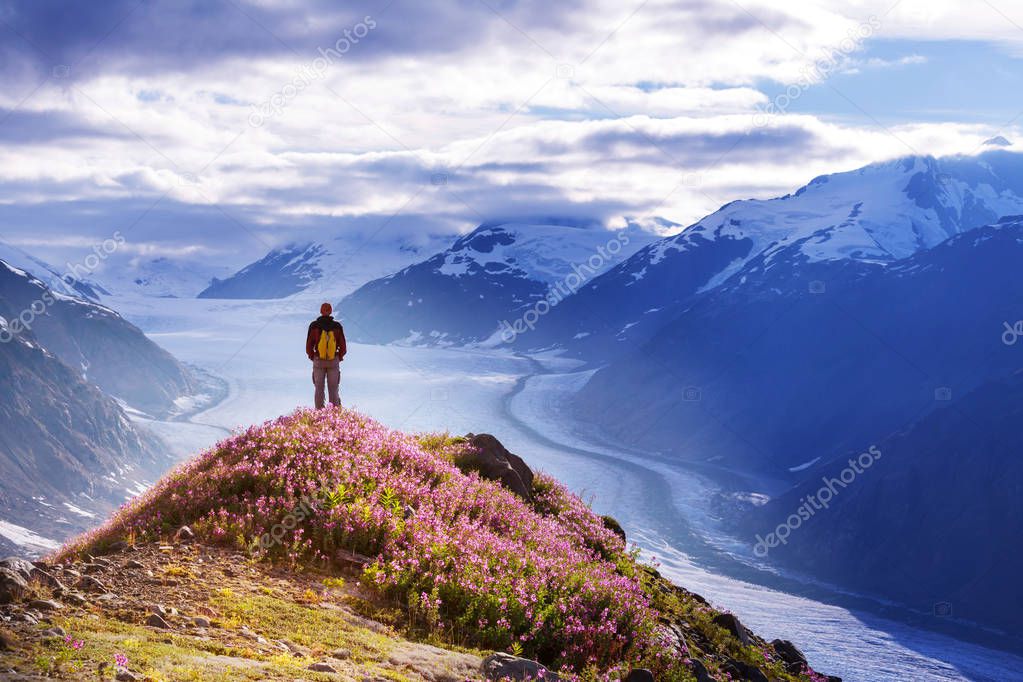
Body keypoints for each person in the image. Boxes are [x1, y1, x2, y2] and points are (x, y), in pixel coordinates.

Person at [305, 302, 346, 408]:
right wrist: (338, 357)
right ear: (331, 311)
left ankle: (319, 415)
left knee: (319, 389)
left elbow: (309, 346)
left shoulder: (314, 326)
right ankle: (334, 415)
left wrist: (313, 357)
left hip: (318, 360)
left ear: (321, 311)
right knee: (333, 389)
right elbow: (343, 348)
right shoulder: (337, 326)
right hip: (333, 361)